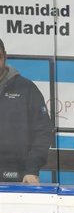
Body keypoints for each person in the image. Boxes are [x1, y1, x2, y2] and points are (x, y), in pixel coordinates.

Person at [0, 38, 53, 184]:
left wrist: (32, 169)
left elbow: (43, 131)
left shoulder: (27, 89)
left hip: (18, 176)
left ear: (5, 56)